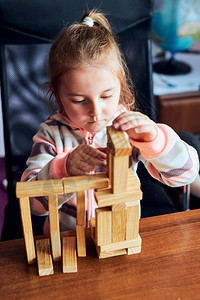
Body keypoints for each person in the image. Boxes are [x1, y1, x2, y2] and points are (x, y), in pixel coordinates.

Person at [21, 10, 199, 233]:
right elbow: (33, 206)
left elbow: (186, 176)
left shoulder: (128, 129)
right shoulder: (50, 135)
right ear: (56, 94)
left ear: (120, 86)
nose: (96, 112)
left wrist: (156, 140)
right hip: (69, 241)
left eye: (106, 96)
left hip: (119, 235)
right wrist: (62, 168)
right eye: (79, 100)